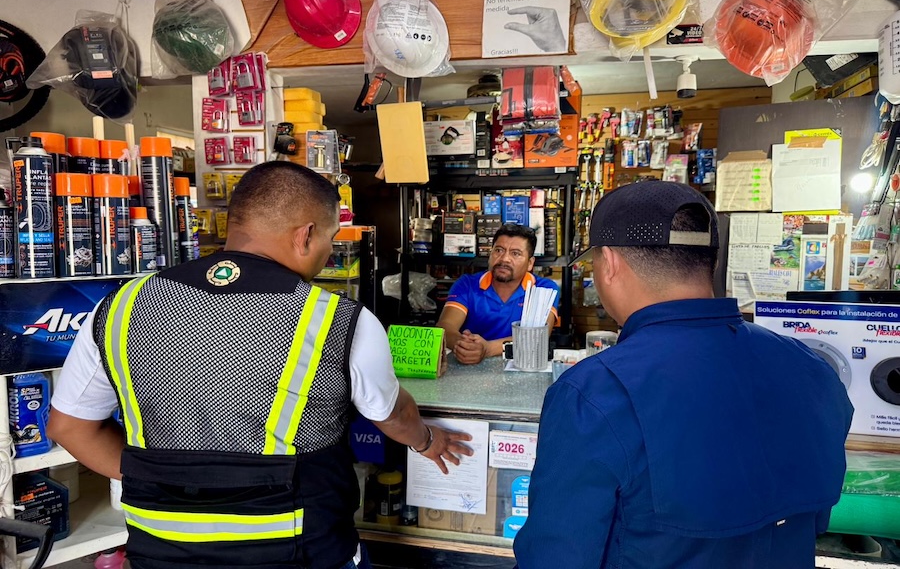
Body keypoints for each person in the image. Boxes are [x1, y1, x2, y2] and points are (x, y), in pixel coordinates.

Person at [48, 161, 473, 569]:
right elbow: (392, 415)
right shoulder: (338, 319)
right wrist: (427, 441)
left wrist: (163, 479)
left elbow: (70, 428)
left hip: (161, 553)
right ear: (306, 235)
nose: (329, 252)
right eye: (330, 239)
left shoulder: (122, 305)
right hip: (302, 553)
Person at [514, 181, 853, 569]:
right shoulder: (812, 370)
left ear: (609, 263)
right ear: (710, 263)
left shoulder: (594, 393)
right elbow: (813, 521)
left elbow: (555, 557)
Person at [436, 223, 559, 365]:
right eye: (499, 250)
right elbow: (445, 326)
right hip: (470, 369)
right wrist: (463, 345)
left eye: (515, 253)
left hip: (522, 368)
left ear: (530, 263)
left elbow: (538, 337)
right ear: (490, 254)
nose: (504, 258)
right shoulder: (467, 284)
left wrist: (488, 349)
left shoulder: (544, 289)